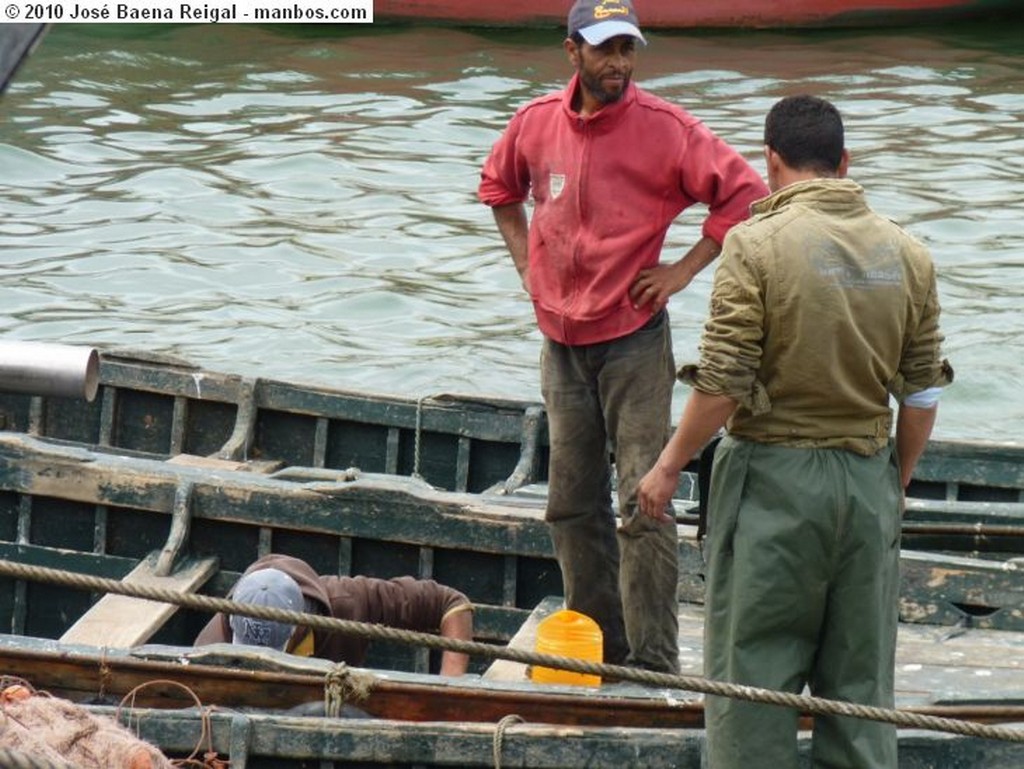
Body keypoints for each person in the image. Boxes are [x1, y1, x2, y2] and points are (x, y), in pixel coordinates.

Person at [637, 95, 953, 767]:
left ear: (771, 162)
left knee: (751, 687)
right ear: (845, 162)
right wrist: (891, 479)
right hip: (866, 479)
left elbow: (722, 384)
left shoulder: (755, 245)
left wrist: (668, 465)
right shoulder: (909, 252)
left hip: (774, 483)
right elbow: (922, 392)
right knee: (861, 695)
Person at [477, 0, 767, 675]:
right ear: (572, 51)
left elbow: (746, 194)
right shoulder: (534, 122)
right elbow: (499, 189)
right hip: (560, 344)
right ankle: (599, 651)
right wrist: (528, 265)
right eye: (606, 50)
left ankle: (654, 665)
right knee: (570, 504)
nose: (620, 65)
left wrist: (683, 270)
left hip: (635, 341)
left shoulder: (665, 129)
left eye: (628, 49)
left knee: (645, 499)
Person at [194, 554, 474, 676]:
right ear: (232, 623)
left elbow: (450, 603)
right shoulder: (211, 647)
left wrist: (451, 680)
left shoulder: (347, 603)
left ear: (298, 628)